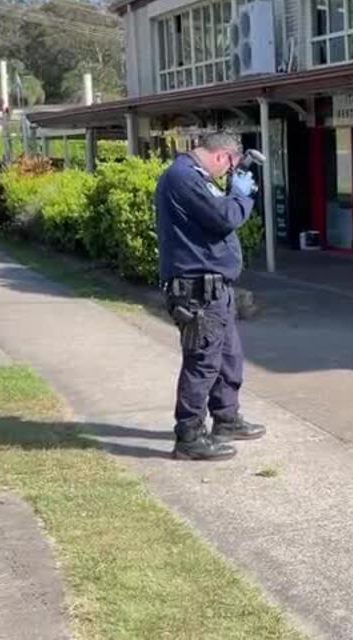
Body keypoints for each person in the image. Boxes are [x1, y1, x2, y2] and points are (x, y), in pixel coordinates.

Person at [155, 132, 265, 461]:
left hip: (215, 289)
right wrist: (241, 195)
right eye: (229, 168)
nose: (228, 174)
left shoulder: (193, 175)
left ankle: (226, 418)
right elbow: (224, 218)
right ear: (222, 157)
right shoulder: (184, 176)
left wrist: (233, 193)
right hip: (197, 290)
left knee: (228, 357)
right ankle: (189, 435)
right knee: (202, 362)